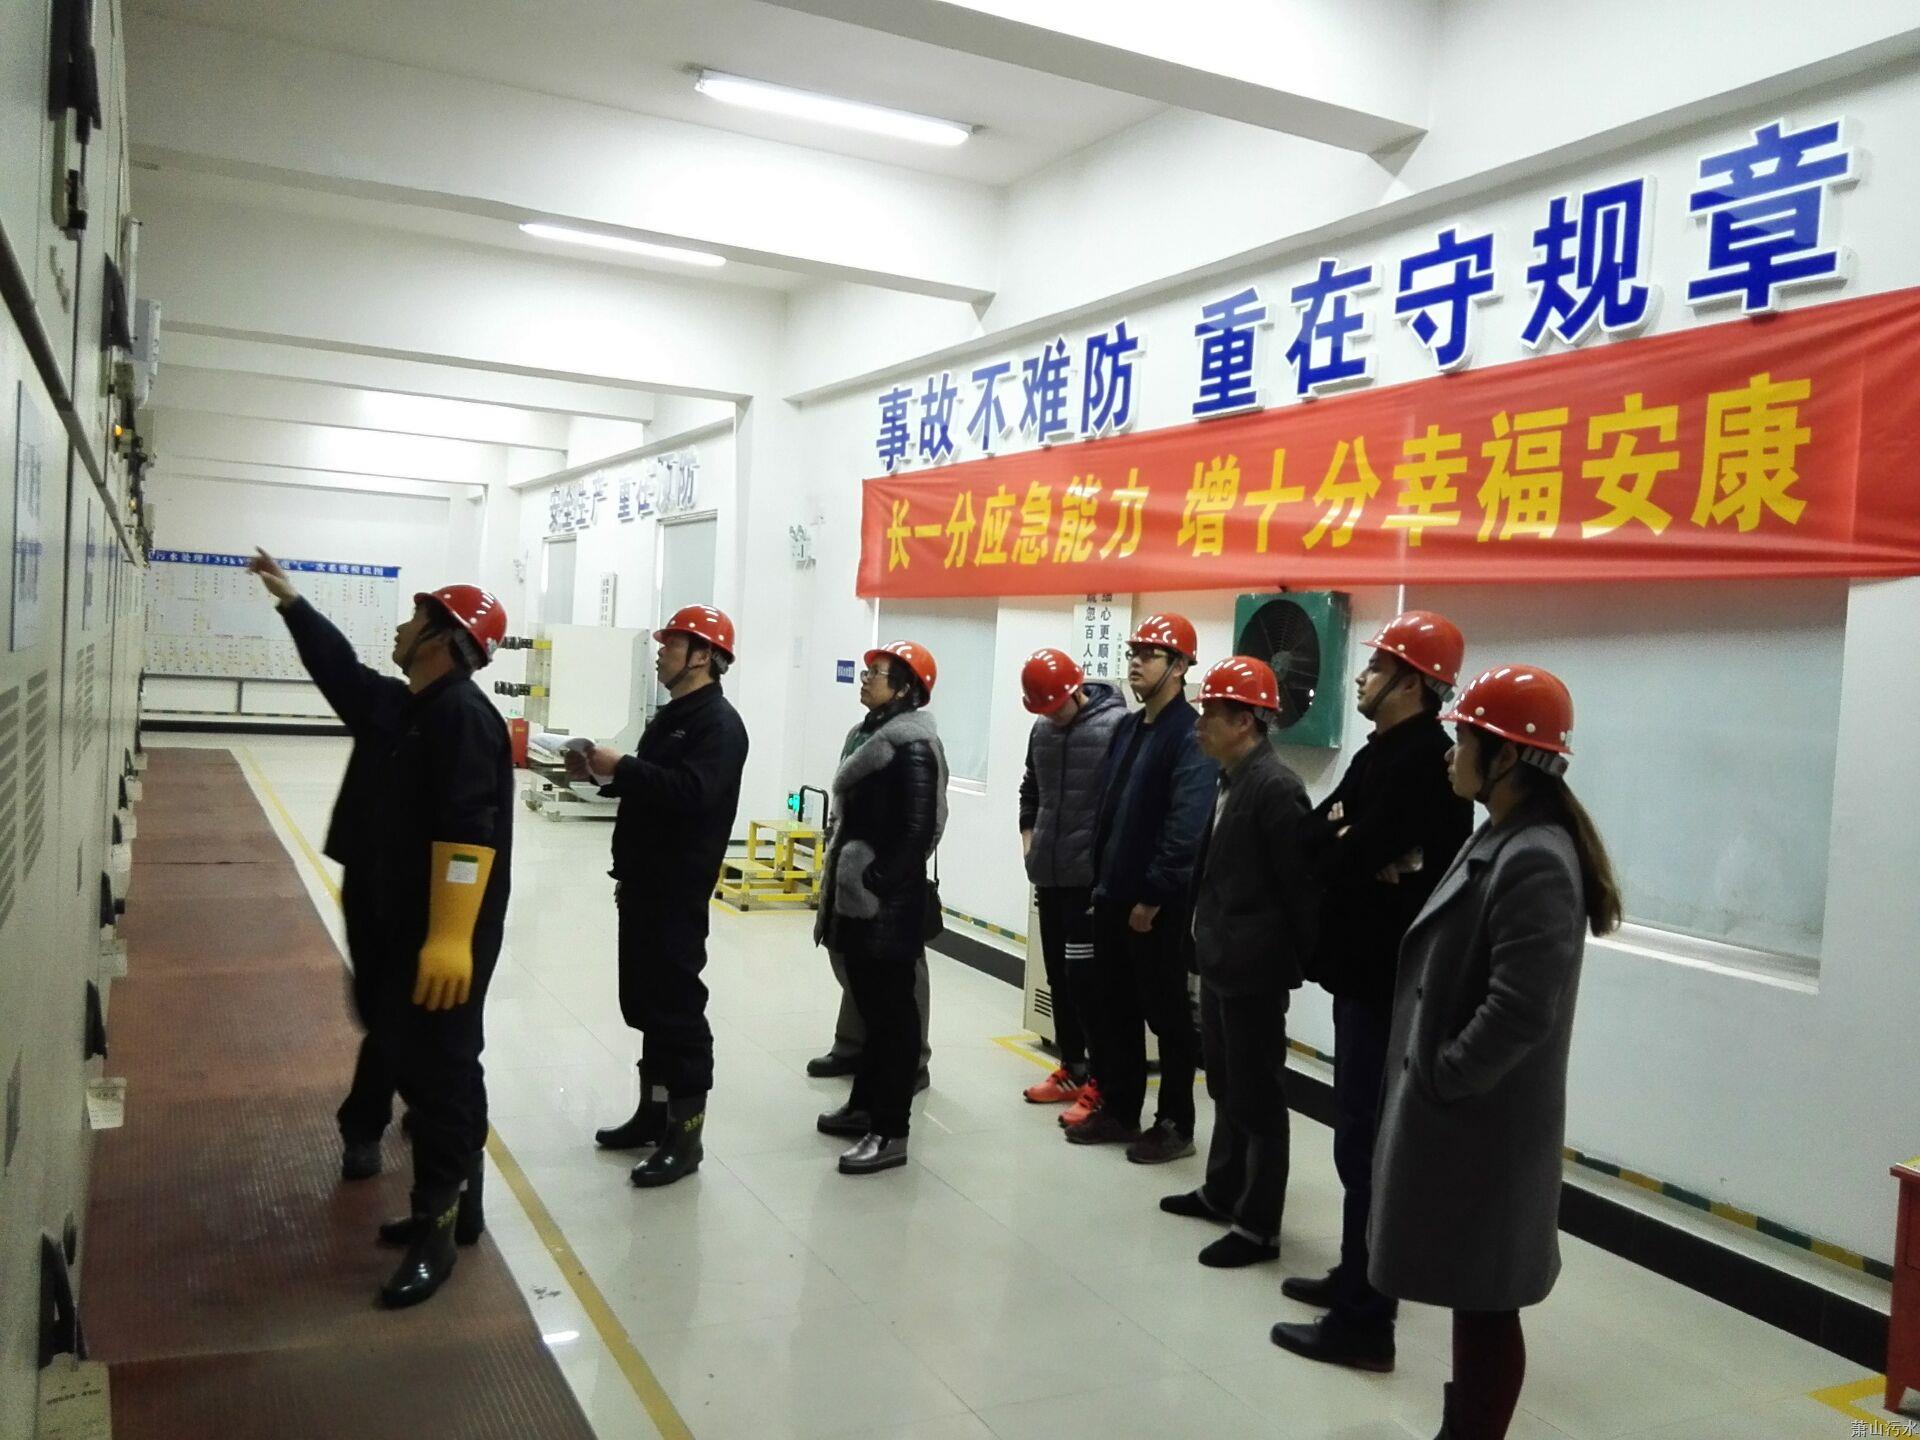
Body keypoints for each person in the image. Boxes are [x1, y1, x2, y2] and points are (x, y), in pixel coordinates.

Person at [248, 550, 513, 1309]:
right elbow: (338, 670)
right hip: (392, 920)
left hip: (436, 935)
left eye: (415, 617)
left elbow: (469, 834)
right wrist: (291, 602)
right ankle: (460, 1207)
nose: (400, 627)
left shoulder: (462, 717)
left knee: (441, 1073)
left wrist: (451, 937)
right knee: (424, 1056)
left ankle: (439, 1227)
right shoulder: (407, 708)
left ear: (443, 639)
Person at [1367, 665, 1621, 1440]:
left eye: (1465, 740)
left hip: (1486, 1124)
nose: (1451, 752)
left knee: (1487, 1301)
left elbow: (1520, 1008)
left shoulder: (1536, 856)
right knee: (1474, 1294)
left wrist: (1446, 1076)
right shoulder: (1503, 834)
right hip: (1470, 1121)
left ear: (1506, 757)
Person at [1272, 610, 1473, 1371]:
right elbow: (1314, 840)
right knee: (1355, 1139)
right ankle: (1356, 1274)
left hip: (1390, 985)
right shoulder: (1379, 752)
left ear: (1412, 683)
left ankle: (1366, 1319)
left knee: (1368, 1145)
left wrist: (1353, 843)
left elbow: (1352, 854)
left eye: (1378, 666)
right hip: (1358, 975)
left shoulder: (1427, 762)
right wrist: (1351, 840)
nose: (1360, 676)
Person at [573, 605, 749, 1188]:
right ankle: (652, 1115)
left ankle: (685, 1137)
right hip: (643, 883)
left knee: (677, 1011)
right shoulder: (673, 716)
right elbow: (655, 786)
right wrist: (602, 775)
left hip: (677, 888)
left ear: (703, 656)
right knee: (647, 1005)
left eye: (670, 644)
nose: (659, 654)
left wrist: (624, 766)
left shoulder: (719, 725)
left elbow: (695, 792)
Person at [1159, 657, 1314, 1267]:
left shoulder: (1276, 788)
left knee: (1259, 1098)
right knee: (1226, 1085)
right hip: (1223, 961)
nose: (1200, 726)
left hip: (1254, 970)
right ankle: (1222, 1190)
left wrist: (1281, 962)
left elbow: (1299, 889)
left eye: (1212, 716)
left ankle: (1258, 1225)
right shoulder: (1231, 779)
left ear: (1246, 721)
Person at [1067, 613, 1216, 1164]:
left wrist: (1152, 896)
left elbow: (1186, 826)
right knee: (1117, 1010)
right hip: (1112, 894)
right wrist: (1100, 883)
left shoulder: (1190, 735)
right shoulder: (1129, 728)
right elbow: (1110, 811)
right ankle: (1122, 1109)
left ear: (1179, 667)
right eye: (1133, 652)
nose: (1135, 662)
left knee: (1168, 1017)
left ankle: (1175, 1122)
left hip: (1156, 906)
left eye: (1150, 654)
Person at [813, 641, 947, 1175]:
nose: (866, 679)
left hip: (884, 905)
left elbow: (919, 831)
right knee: (871, 1009)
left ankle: (890, 1130)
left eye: (878, 673)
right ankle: (864, 1106)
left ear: (906, 688)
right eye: (867, 671)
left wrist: (874, 883)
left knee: (893, 1019)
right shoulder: (871, 733)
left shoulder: (913, 746)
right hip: (858, 899)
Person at [1015, 648, 1126, 1112]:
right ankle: (1072, 1067)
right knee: (1059, 976)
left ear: (1076, 691)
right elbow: (1030, 790)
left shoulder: (1116, 727)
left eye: (1055, 706)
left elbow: (1123, 803)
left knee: (1087, 982)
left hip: (1088, 883)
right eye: (1042, 709)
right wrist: (1029, 840)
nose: (1051, 716)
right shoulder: (1042, 728)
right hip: (1049, 875)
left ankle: (1101, 1077)